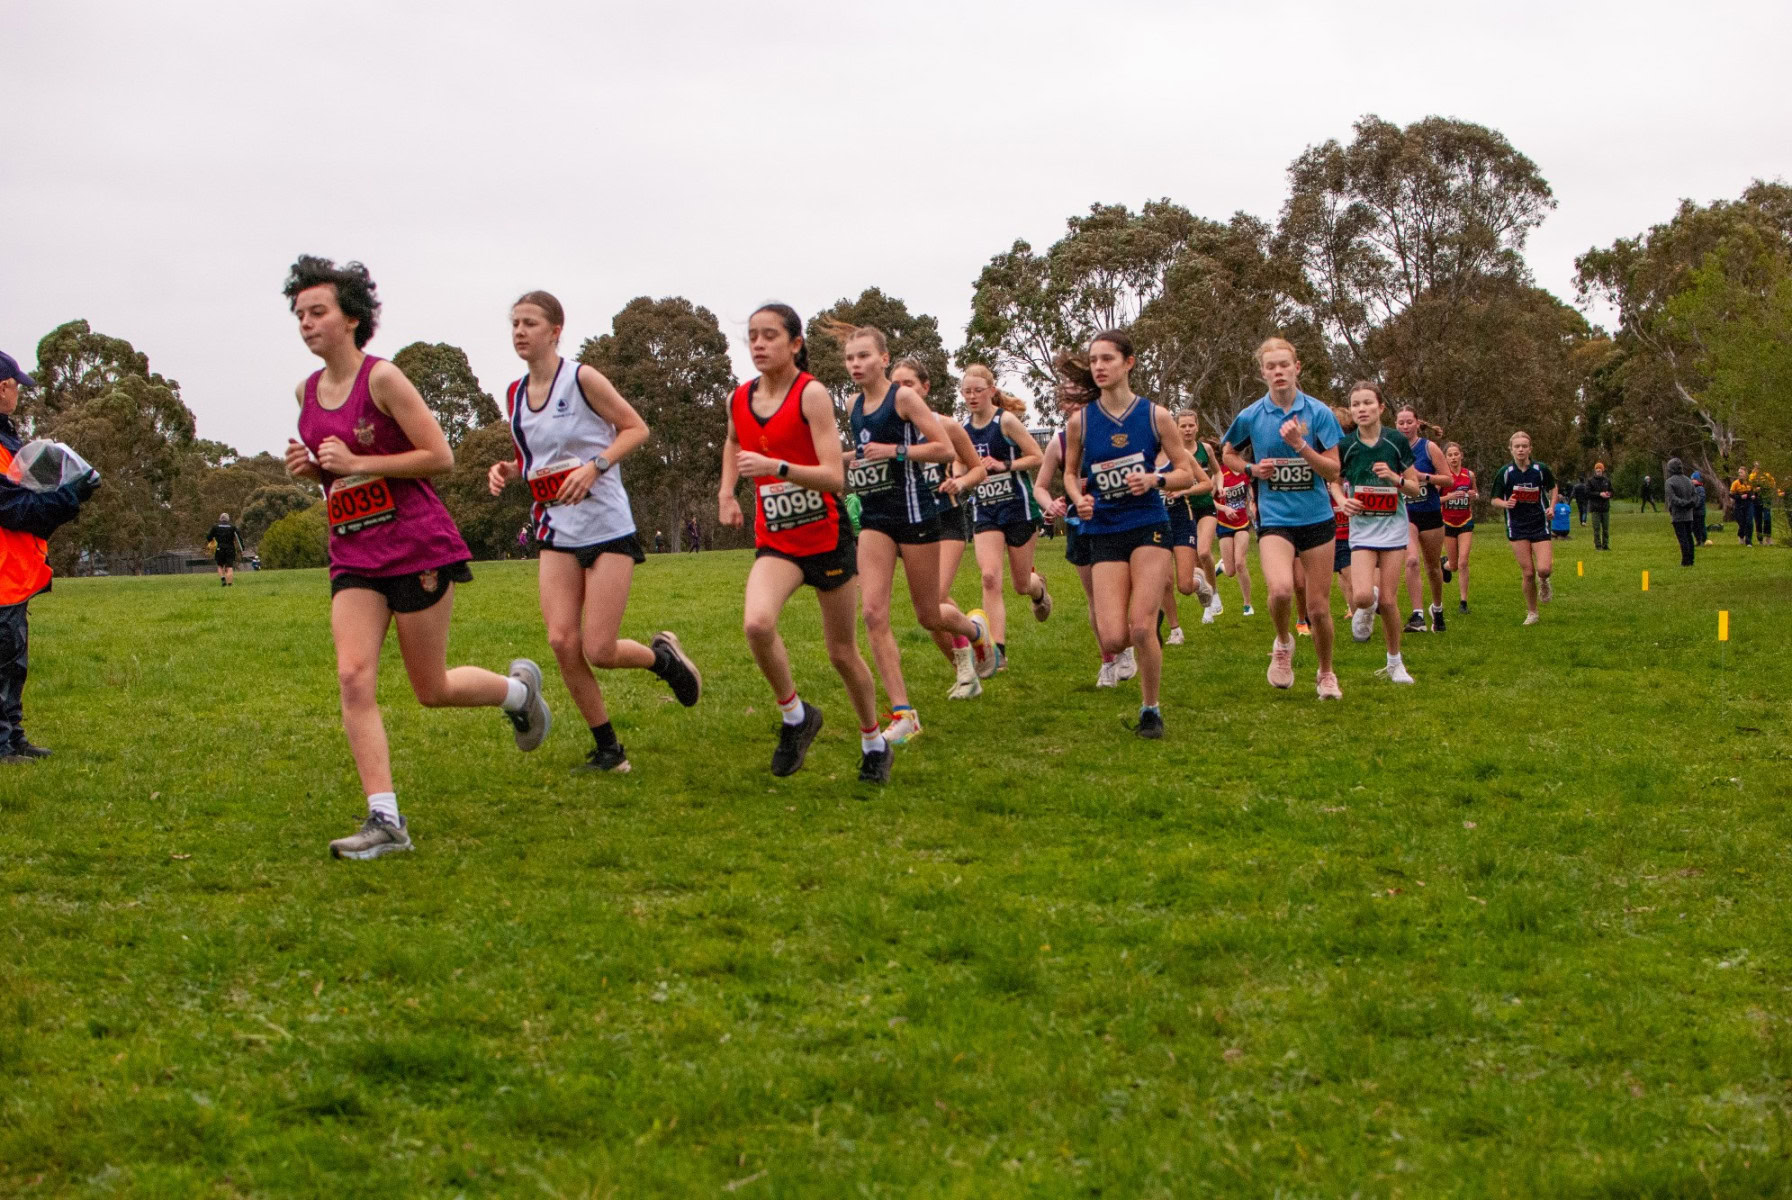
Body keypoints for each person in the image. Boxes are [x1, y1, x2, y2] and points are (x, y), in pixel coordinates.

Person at [283, 256, 551, 860]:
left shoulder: (383, 380)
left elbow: (440, 457)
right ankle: (386, 821)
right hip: (353, 554)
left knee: (431, 687)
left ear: (351, 318)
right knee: (354, 677)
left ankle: (517, 694)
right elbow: (336, 471)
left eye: (317, 311)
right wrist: (313, 468)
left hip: (415, 546)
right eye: (299, 314)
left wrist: (358, 462)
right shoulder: (304, 392)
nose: (306, 323)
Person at [488, 290, 701, 775]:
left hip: (607, 527)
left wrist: (595, 466)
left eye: (530, 323)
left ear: (556, 330)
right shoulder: (515, 395)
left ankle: (663, 661)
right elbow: (534, 461)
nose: (520, 331)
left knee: (599, 649)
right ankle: (609, 750)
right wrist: (507, 468)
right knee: (563, 641)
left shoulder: (581, 378)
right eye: (515, 323)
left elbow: (635, 428)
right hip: (557, 529)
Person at [718, 303, 890, 783]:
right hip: (778, 542)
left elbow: (835, 477)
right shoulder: (739, 399)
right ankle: (795, 715)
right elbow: (733, 442)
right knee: (756, 623)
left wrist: (777, 469)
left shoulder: (811, 395)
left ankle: (873, 742)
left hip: (827, 539)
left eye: (770, 335)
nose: (758, 344)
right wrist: (726, 491)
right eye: (752, 335)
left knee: (841, 652)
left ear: (795, 344)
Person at [832, 322, 993, 745]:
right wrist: (839, 458)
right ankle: (904, 713)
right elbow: (866, 453)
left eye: (864, 356)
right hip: (875, 519)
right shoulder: (852, 404)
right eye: (850, 358)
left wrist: (896, 451)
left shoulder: (902, 398)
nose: (856, 364)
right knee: (873, 613)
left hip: (917, 516)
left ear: (883, 358)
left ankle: (976, 632)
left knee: (928, 613)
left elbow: (942, 447)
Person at [1062, 329, 1195, 737]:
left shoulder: (1156, 416)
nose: (1100, 367)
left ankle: (1150, 709)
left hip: (1148, 524)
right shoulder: (1080, 422)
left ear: (1129, 363)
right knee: (1114, 636)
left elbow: (1186, 472)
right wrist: (1077, 498)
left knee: (1139, 628)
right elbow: (1070, 473)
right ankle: (1140, 623)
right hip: (1103, 527)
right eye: (1094, 360)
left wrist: (1155, 480)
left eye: (1108, 359)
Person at [1221, 338, 1344, 699]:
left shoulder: (1318, 413)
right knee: (1279, 590)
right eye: (1270, 366)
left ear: (1297, 368)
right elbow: (1227, 453)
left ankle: (1326, 673)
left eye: (1284, 365)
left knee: (1319, 608)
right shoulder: (1251, 416)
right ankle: (1283, 641)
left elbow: (1334, 470)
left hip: (1317, 519)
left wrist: (1301, 447)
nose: (1278, 372)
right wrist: (1251, 468)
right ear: (1263, 373)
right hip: (1275, 518)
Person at [0, 350, 97, 764]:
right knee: (3, 665)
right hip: (2, 575)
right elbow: (16, 508)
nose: (19, 393)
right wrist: (72, 494)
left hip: (14, 574)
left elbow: (28, 493)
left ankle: (13, 737)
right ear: (3, 388)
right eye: (15, 385)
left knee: (12, 663)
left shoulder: (7, 437)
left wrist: (63, 483)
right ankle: (2, 746)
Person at [887, 358, 992, 699]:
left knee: (933, 600)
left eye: (909, 384)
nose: (902, 392)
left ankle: (976, 631)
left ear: (925, 388)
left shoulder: (946, 426)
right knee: (929, 613)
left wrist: (960, 483)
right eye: (896, 386)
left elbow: (978, 470)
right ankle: (964, 670)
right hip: (907, 523)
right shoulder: (887, 432)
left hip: (945, 520)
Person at [1033, 355, 1127, 686]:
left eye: (1078, 399)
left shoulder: (1116, 430)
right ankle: (1108, 660)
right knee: (1096, 598)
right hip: (1082, 526)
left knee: (1125, 596)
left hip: (1122, 520)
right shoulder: (1059, 443)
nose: (1072, 407)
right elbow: (1040, 487)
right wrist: (1053, 505)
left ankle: (1126, 643)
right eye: (1066, 401)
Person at [960, 364, 1050, 673]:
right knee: (989, 577)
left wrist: (1003, 465)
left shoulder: (1006, 421)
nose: (972, 396)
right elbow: (960, 467)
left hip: (1017, 508)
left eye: (977, 390)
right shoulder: (963, 430)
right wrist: (962, 476)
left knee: (1021, 584)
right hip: (985, 509)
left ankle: (1039, 590)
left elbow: (1037, 456)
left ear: (991, 391)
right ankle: (996, 651)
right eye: (966, 391)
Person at [1335, 383, 1423, 684]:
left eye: (1367, 403)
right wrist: (1342, 500)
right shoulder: (1346, 446)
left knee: (1388, 601)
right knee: (1361, 596)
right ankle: (1365, 606)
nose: (1361, 409)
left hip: (1393, 528)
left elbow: (1414, 486)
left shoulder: (1396, 441)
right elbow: (1332, 480)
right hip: (1362, 529)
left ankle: (1395, 663)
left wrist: (1394, 478)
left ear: (1381, 408)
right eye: (1355, 404)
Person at [1156, 409, 1218, 643]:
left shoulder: (1180, 455)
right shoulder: (1143, 458)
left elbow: (1205, 484)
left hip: (1181, 520)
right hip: (1155, 524)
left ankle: (1199, 581)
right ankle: (1175, 630)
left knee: (1184, 585)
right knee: (1164, 581)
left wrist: (1184, 490)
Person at [1393, 406, 1454, 634]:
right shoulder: (1392, 449)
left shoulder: (1429, 448)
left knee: (1433, 568)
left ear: (1418, 423)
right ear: (1396, 425)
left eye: (1409, 422)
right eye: (1401, 423)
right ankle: (1417, 616)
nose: (1405, 426)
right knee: (1411, 561)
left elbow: (1448, 479)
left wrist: (1423, 478)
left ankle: (1436, 608)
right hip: (1405, 512)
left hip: (1429, 512)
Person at [1488, 430, 1557, 625]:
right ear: (1510, 449)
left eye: (1524, 446)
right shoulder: (1505, 473)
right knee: (1527, 572)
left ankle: (1543, 581)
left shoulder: (1540, 469)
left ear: (1530, 449)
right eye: (1517, 446)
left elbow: (1553, 487)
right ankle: (1532, 612)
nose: (1520, 450)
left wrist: (1551, 507)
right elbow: (1494, 499)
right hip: (1517, 525)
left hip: (1539, 523)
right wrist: (1506, 504)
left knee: (1543, 569)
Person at [1213, 462, 1255, 616]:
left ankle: (1247, 605)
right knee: (1230, 571)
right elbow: (1208, 499)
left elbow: (1252, 494)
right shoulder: (1219, 474)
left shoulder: (1246, 471)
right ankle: (1222, 566)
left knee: (1240, 563)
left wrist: (1252, 505)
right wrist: (1225, 508)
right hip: (1224, 524)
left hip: (1242, 523)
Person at [1440, 442, 1477, 613]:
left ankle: (1463, 602)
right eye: (1450, 455)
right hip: (1447, 522)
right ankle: (1445, 564)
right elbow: (1435, 500)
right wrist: (1449, 497)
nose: (1454, 458)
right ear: (1445, 457)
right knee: (1453, 565)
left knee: (1463, 562)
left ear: (1461, 455)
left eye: (1456, 454)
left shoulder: (1469, 475)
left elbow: (1476, 494)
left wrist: (1473, 495)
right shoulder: (1442, 477)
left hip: (1465, 522)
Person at [1666, 458, 1699, 566]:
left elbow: (1672, 498)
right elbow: (1695, 496)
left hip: (1678, 514)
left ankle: (1685, 560)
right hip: (1689, 514)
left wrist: (1683, 503)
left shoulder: (1669, 482)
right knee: (1689, 537)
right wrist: (1690, 503)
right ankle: (1691, 559)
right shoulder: (1689, 480)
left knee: (1683, 538)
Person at [207, 512, 245, 586]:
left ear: (220, 519)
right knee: (229, 567)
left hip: (220, 548)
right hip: (230, 549)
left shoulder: (215, 527)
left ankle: (223, 578)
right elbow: (239, 538)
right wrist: (242, 548)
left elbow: (209, 537)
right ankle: (230, 584)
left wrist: (212, 540)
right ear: (228, 519)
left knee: (220, 565)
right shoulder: (233, 527)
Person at [1747, 462, 1776, 545]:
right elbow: (1749, 487)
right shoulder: (1752, 476)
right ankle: (1760, 539)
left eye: (1759, 466)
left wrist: (1764, 487)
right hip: (1756, 500)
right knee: (1758, 520)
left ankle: (1768, 538)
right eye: (1756, 466)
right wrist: (1755, 489)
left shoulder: (1767, 475)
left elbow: (1773, 484)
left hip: (1766, 498)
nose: (1758, 467)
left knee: (1767, 518)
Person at [1587, 460, 1614, 550]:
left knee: (1605, 529)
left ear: (1603, 470)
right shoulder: (1590, 481)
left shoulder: (1607, 481)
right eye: (1597, 469)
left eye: (1600, 469)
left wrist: (1608, 494)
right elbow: (1588, 493)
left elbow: (1612, 491)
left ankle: (1605, 545)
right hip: (1595, 508)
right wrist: (1599, 494)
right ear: (1595, 470)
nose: (1598, 471)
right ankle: (1598, 546)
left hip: (1605, 508)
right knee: (1597, 529)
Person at [1731, 472, 1755, 546]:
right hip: (1739, 504)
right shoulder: (1735, 483)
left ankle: (1748, 541)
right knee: (1742, 523)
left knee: (1749, 522)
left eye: (1741, 472)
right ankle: (1741, 535)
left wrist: (1753, 495)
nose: (1740, 474)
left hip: (1749, 503)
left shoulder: (1750, 482)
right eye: (1739, 472)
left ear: (1745, 474)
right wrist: (1740, 497)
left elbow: (1752, 492)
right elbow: (1731, 494)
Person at [1691, 472, 1709, 545]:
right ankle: (1698, 540)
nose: (1692, 480)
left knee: (1700, 526)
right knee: (1694, 527)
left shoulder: (1700, 488)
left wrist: (1695, 506)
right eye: (1691, 479)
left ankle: (1703, 539)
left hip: (1700, 512)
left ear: (1698, 480)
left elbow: (1701, 499)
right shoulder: (1692, 488)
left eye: (1694, 479)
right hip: (1693, 512)